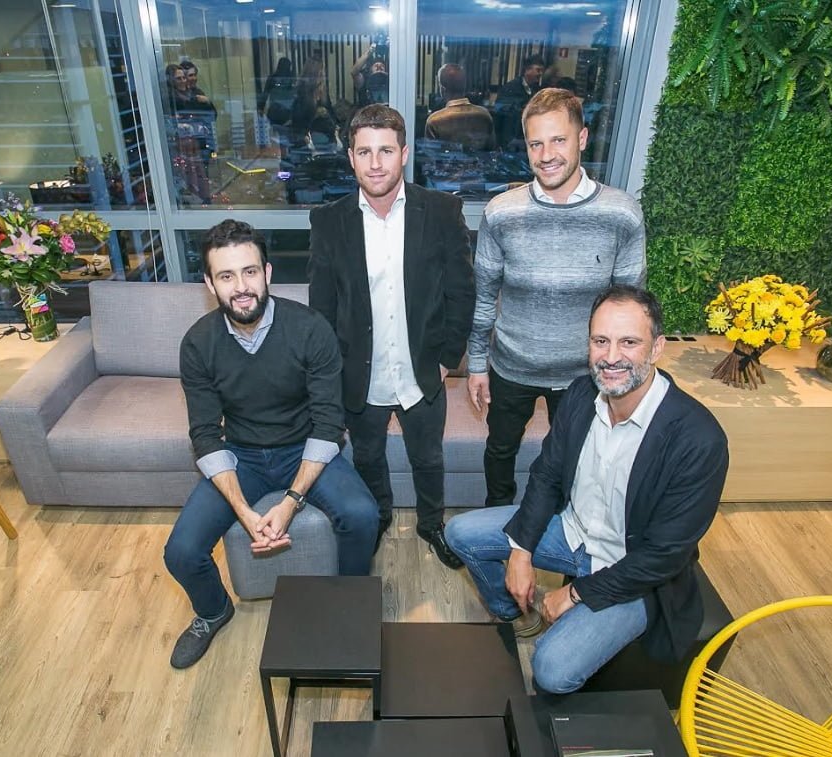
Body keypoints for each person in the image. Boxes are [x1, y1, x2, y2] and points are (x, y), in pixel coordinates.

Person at [446, 285, 729, 693]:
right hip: (573, 532)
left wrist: (575, 594)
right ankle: (513, 612)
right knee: (460, 532)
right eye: (600, 341)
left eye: (628, 342)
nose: (611, 357)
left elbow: (662, 557)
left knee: (551, 671)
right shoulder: (580, 394)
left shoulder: (698, 439)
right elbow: (547, 475)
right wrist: (521, 551)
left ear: (656, 348)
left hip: (632, 571)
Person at [164, 220, 378, 670]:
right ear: (209, 284)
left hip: (305, 446)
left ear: (267, 273)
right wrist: (244, 512)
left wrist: (290, 502)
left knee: (362, 515)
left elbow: (328, 423)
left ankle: (350, 600)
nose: (241, 287)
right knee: (180, 552)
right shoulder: (198, 343)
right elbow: (205, 434)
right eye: (226, 276)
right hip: (242, 455)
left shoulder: (310, 329)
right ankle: (213, 611)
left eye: (249, 272)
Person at [308, 104, 475, 568]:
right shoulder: (329, 221)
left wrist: (448, 358)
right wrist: (331, 373)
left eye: (385, 150)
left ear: (404, 153)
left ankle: (431, 524)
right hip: (359, 374)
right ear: (351, 157)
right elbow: (322, 307)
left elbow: (462, 291)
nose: (376, 163)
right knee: (367, 455)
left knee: (429, 457)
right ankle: (378, 516)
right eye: (365, 152)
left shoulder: (441, 211)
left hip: (423, 368)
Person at [467, 87, 645, 509]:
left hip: (585, 374)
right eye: (535, 143)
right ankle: (498, 522)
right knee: (499, 451)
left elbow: (630, 309)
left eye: (558, 140)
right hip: (512, 366)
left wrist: (625, 371)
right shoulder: (501, 212)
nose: (546, 155)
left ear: (582, 138)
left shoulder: (622, 213)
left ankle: (566, 526)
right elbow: (484, 296)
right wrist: (476, 364)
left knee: (578, 459)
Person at [165, 61, 217, 203]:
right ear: (171, 81)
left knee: (200, 175)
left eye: (184, 77)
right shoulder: (171, 99)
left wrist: (206, 102)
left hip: (199, 144)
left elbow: (212, 115)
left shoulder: (194, 94)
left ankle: (204, 202)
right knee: (188, 177)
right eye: (179, 78)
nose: (184, 80)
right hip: (182, 146)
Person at [424, 63, 496, 152]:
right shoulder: (484, 115)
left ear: (442, 89)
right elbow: (492, 151)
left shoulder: (434, 121)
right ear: (464, 86)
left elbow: (430, 155)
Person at [494, 54, 545, 147]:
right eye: (538, 70)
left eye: (542, 71)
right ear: (527, 70)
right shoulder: (510, 88)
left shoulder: (537, 90)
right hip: (510, 140)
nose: (540, 74)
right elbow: (499, 110)